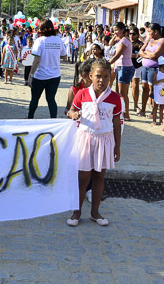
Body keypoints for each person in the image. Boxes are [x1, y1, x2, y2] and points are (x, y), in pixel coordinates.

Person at [66, 58, 122, 227]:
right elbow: (70, 110)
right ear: (90, 76)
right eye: (98, 76)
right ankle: (76, 212)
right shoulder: (82, 94)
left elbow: (116, 123)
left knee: (99, 176)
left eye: (106, 77)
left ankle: (95, 212)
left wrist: (117, 146)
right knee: (83, 178)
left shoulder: (115, 98)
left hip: (104, 140)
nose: (101, 80)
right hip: (85, 139)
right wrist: (73, 114)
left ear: (111, 77)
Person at [27, 20, 67, 119]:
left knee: (35, 99)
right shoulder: (58, 40)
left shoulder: (40, 41)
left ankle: (30, 118)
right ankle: (53, 119)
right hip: (55, 76)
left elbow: (37, 60)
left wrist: (31, 75)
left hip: (40, 76)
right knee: (51, 99)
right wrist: (54, 54)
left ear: (43, 29)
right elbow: (65, 57)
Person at [139, 23, 164, 118]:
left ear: (156, 32)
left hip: (155, 69)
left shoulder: (163, 41)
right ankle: (143, 110)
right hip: (145, 67)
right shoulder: (150, 40)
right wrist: (149, 55)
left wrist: (146, 53)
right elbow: (140, 52)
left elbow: (155, 55)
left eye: (150, 31)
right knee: (145, 88)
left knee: (153, 90)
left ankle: (154, 112)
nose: (148, 34)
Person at [108, 22, 134, 120]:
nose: (115, 32)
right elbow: (110, 43)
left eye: (117, 30)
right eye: (114, 30)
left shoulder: (124, 41)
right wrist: (115, 35)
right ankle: (120, 111)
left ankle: (126, 113)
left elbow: (118, 55)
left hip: (125, 67)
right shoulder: (120, 40)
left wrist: (108, 63)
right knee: (118, 92)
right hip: (119, 67)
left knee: (123, 93)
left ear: (123, 30)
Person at [151, 57, 164, 130]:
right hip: (157, 91)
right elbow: (153, 82)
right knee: (155, 106)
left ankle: (161, 120)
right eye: (163, 68)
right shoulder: (156, 73)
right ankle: (154, 120)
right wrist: (161, 80)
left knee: (162, 106)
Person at [129, 27, 143, 114]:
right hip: (126, 66)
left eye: (133, 34)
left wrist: (136, 56)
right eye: (130, 33)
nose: (131, 35)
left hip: (136, 66)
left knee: (135, 86)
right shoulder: (126, 42)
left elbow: (143, 55)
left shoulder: (140, 44)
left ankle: (135, 105)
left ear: (137, 35)